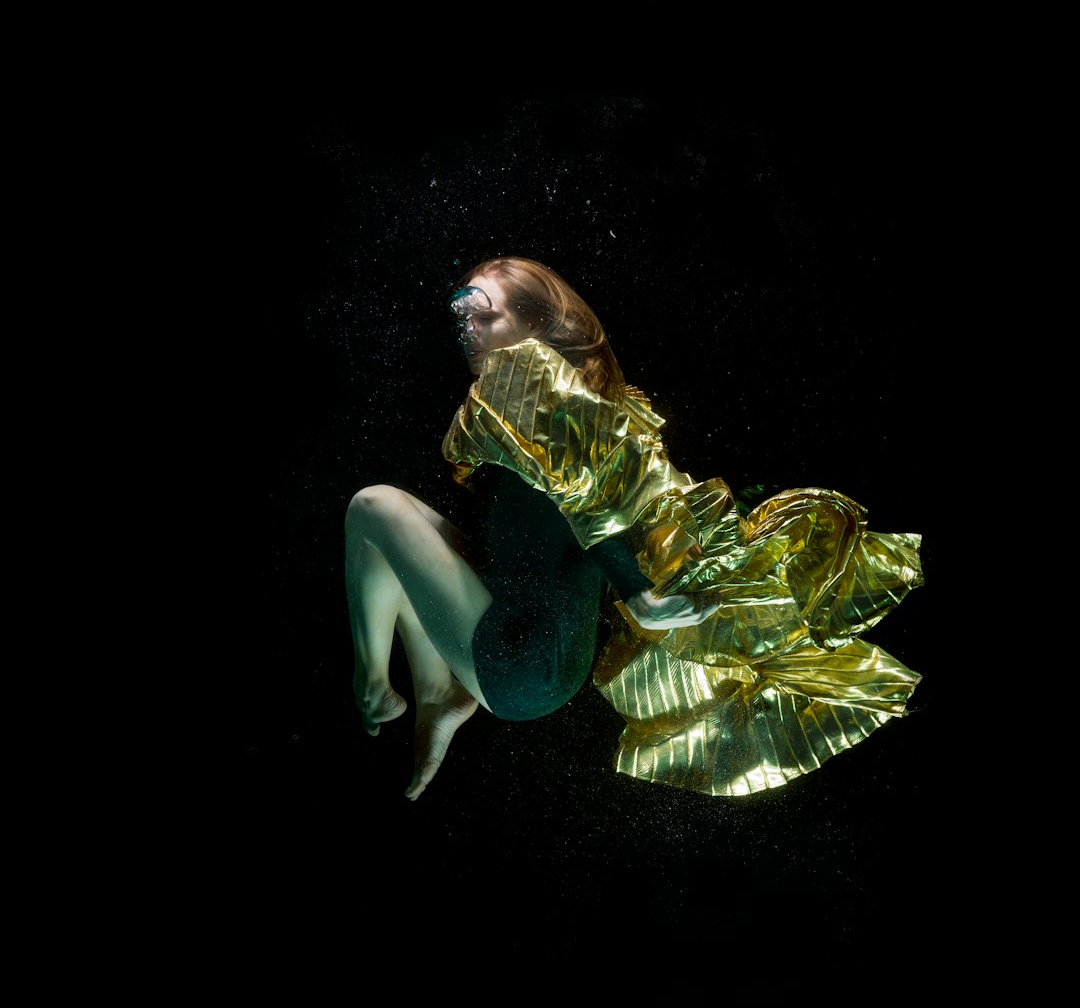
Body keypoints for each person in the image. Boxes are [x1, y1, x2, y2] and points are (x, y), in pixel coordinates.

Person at [345, 257, 923, 800]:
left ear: (535, 322)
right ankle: (440, 691)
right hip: (533, 652)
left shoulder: (532, 389)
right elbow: (628, 506)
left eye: (485, 311)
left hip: (521, 657)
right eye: (462, 314)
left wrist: (636, 592)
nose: (467, 326)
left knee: (373, 505)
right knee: (398, 530)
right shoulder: (579, 406)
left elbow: (591, 505)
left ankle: (374, 688)